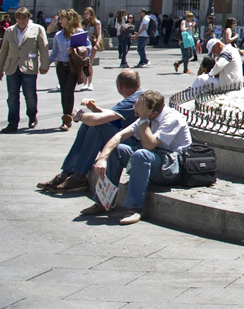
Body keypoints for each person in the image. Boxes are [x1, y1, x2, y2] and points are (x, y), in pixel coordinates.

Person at [82, 90, 193, 225]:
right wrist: (102, 159)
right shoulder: (146, 116)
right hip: (154, 159)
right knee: (118, 149)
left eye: (139, 111)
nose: (135, 113)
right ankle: (104, 202)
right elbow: (119, 136)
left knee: (141, 154)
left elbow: (149, 145)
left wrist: (144, 119)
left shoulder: (172, 118)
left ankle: (134, 208)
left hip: (171, 168)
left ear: (152, 113)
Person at [38, 70, 143, 195]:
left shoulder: (133, 101)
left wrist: (80, 115)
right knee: (88, 126)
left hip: (137, 147)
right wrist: (95, 109)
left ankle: (78, 178)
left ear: (119, 85)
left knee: (97, 128)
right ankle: (66, 173)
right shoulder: (138, 96)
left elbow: (97, 120)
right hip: (136, 141)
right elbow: (112, 116)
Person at [0, 7, 49, 132]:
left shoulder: (37, 29)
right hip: (12, 67)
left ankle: (32, 116)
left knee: (29, 95)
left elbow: (43, 49)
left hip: (29, 67)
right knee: (12, 97)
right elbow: (4, 51)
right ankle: (12, 123)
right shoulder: (10, 30)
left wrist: (44, 65)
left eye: (23, 18)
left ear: (28, 18)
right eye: (18, 18)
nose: (21, 20)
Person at [51, 10, 89, 131]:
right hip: (61, 66)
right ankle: (66, 118)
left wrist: (74, 50)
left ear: (70, 19)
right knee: (63, 92)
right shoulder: (58, 35)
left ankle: (67, 120)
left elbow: (88, 47)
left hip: (73, 66)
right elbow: (54, 52)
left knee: (68, 91)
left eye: (62, 18)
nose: (60, 21)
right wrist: (45, 64)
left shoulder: (79, 33)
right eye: (60, 19)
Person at [82, 7, 102, 91]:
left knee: (89, 63)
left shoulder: (96, 23)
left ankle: (90, 83)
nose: (86, 15)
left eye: (87, 13)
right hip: (84, 45)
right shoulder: (83, 23)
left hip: (92, 44)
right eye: (85, 14)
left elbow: (99, 34)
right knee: (83, 64)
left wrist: (96, 44)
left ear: (91, 14)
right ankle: (85, 83)